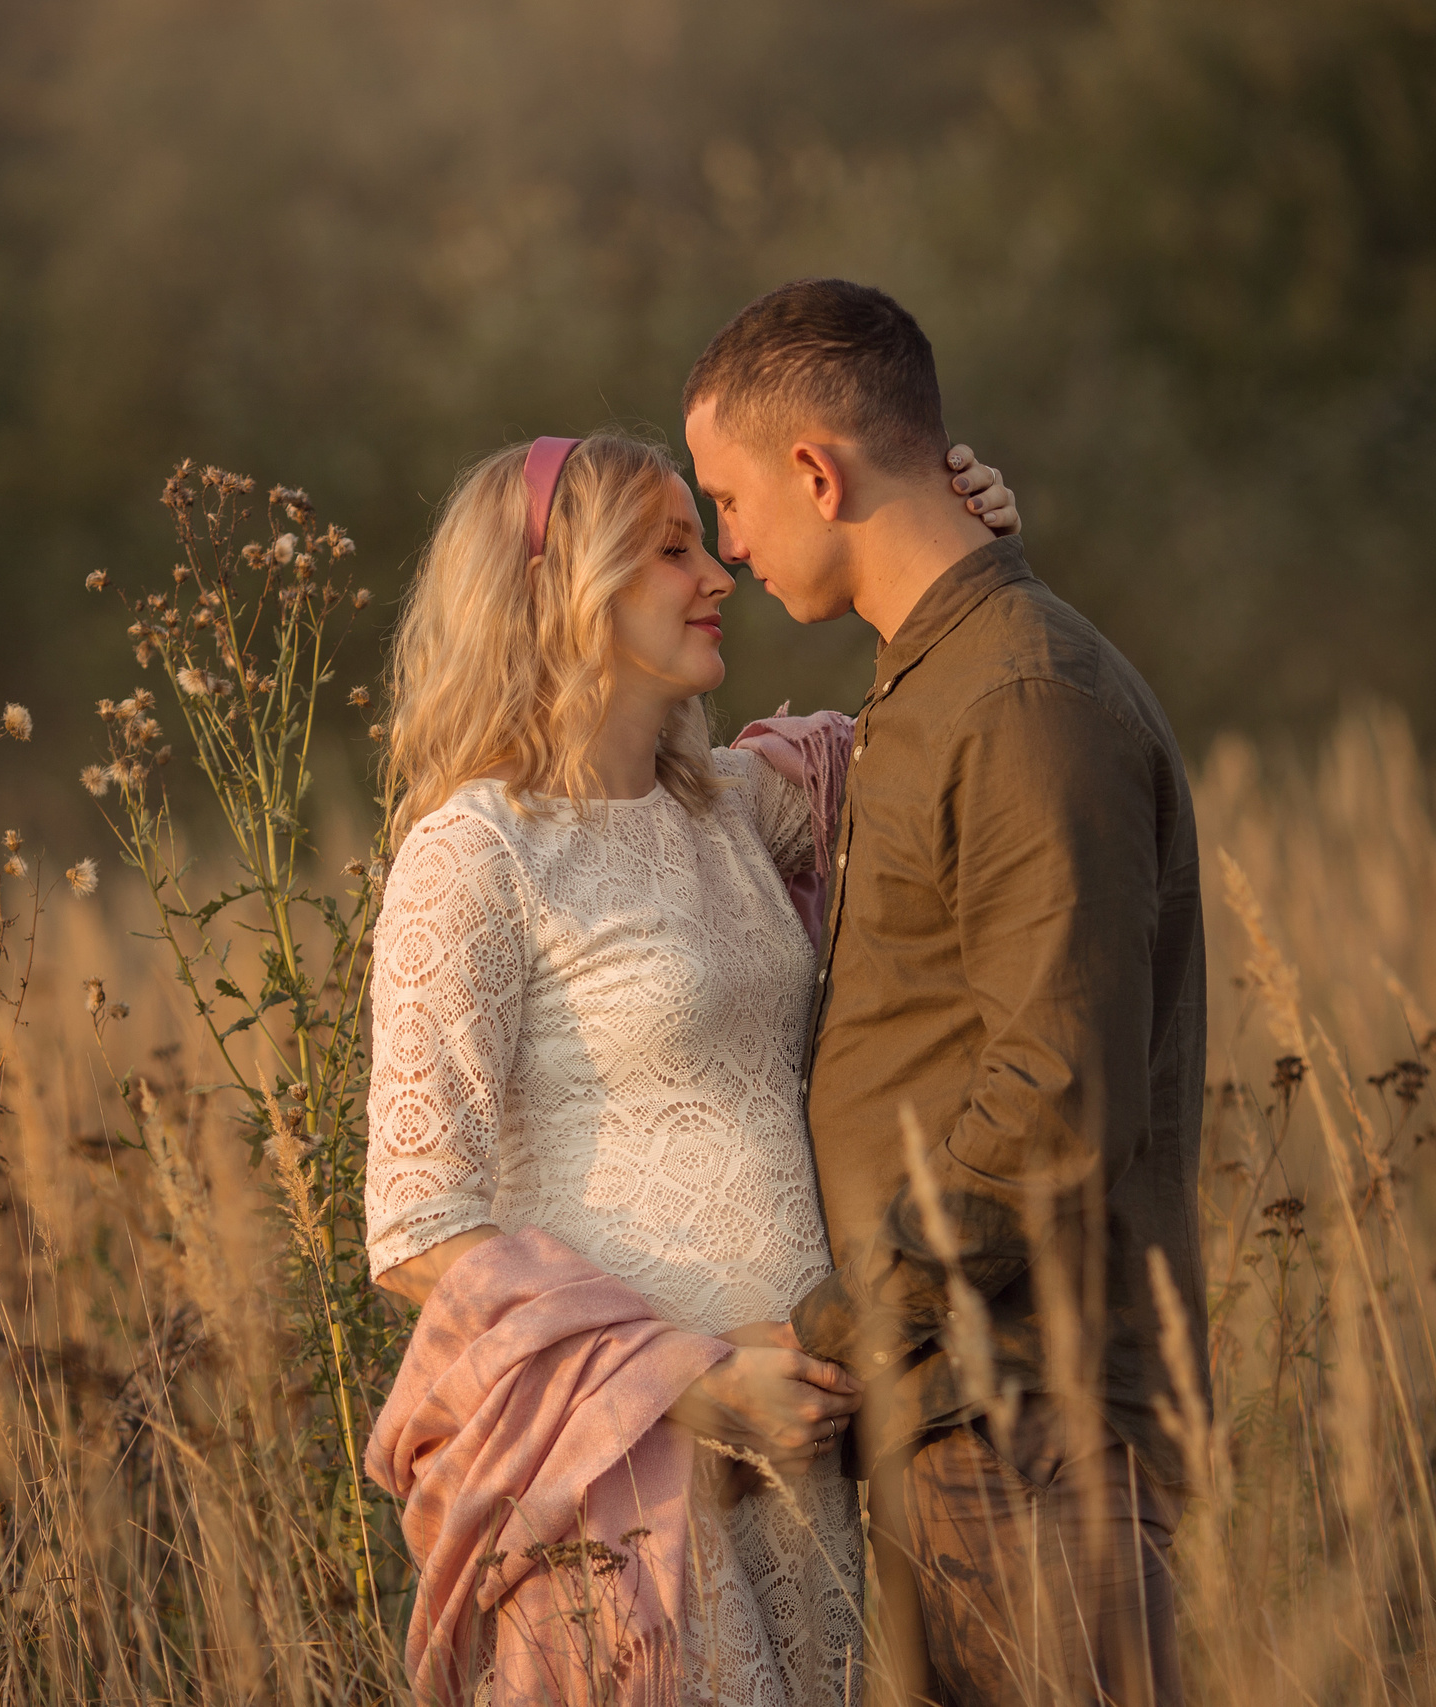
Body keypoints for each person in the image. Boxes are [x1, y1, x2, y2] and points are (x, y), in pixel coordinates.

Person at [362, 428, 1018, 1706]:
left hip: (810, 1454)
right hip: (635, 1467)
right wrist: (701, 1382)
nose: (717, 570)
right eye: (669, 549)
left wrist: (957, 555)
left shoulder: (733, 805)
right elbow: (417, 1228)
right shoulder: (475, 853)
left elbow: (936, 739)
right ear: (557, 589)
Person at [684, 279, 1208, 1707]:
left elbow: (1056, 1098)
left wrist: (847, 1312)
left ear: (816, 470)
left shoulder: (1026, 700)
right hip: (948, 1421)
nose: (725, 546)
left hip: (1021, 1417)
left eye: (727, 499)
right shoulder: (935, 683)